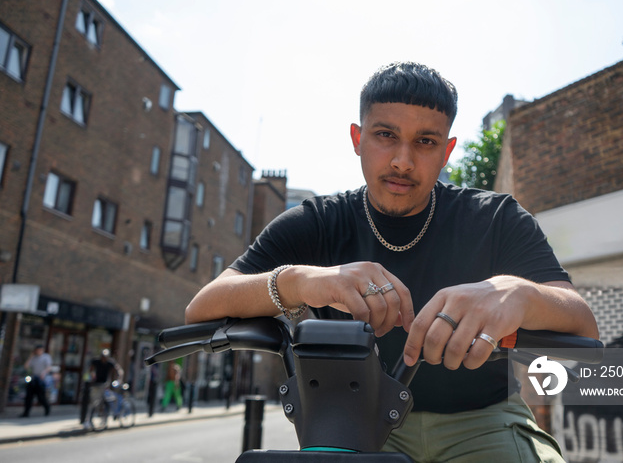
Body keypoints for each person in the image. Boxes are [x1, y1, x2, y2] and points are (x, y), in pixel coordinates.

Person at [184, 62, 599, 462]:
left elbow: (584, 326)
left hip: (486, 421)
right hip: (356, 426)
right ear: (357, 138)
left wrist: (520, 294)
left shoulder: (496, 218)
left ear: (447, 151)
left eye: (425, 141)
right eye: (385, 134)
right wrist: (300, 282)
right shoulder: (318, 222)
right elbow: (201, 307)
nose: (403, 160)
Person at [83, 349, 123, 427]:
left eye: (105, 357)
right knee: (94, 402)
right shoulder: (96, 361)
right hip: (96, 384)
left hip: (105, 384)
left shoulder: (110, 363)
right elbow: (90, 370)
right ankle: (89, 420)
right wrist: (91, 377)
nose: (104, 359)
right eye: (102, 357)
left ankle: (109, 416)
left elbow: (119, 371)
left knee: (110, 400)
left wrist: (119, 380)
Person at [20, 345, 52, 417]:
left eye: (39, 350)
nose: (38, 351)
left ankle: (47, 409)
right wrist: (30, 356)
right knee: (29, 396)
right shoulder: (33, 357)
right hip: (33, 378)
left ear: (42, 350)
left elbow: (49, 367)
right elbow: (26, 366)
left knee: (41, 397)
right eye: (36, 350)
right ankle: (26, 413)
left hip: (41, 379)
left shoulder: (46, 357)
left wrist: (44, 373)